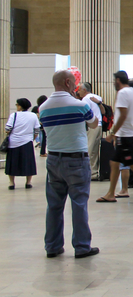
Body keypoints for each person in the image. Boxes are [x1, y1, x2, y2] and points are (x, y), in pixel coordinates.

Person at [38, 70, 99, 259]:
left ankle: (52, 246)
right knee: (79, 203)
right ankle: (81, 247)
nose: (76, 86)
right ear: (67, 83)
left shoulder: (43, 107)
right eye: (74, 83)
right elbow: (94, 124)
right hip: (76, 160)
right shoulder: (79, 105)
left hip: (53, 159)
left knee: (54, 205)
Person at [96, 71, 133, 204]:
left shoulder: (123, 93)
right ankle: (111, 193)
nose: (113, 83)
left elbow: (123, 115)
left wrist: (113, 133)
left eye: (114, 81)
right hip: (130, 134)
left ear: (118, 80)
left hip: (125, 135)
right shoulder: (132, 92)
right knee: (115, 163)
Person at [4, 98, 40, 190]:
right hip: (27, 142)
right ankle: (28, 182)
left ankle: (12, 183)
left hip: (13, 142)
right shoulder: (33, 116)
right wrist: (32, 139)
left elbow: (8, 129)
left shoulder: (14, 115)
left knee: (12, 163)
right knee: (28, 163)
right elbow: (36, 130)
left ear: (20, 106)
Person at [77, 83, 103, 180]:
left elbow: (85, 113)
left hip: (92, 126)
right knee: (94, 151)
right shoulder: (95, 97)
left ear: (84, 90)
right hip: (99, 126)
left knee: (88, 150)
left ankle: (85, 172)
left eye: (79, 90)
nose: (78, 92)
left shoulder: (85, 99)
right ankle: (94, 173)